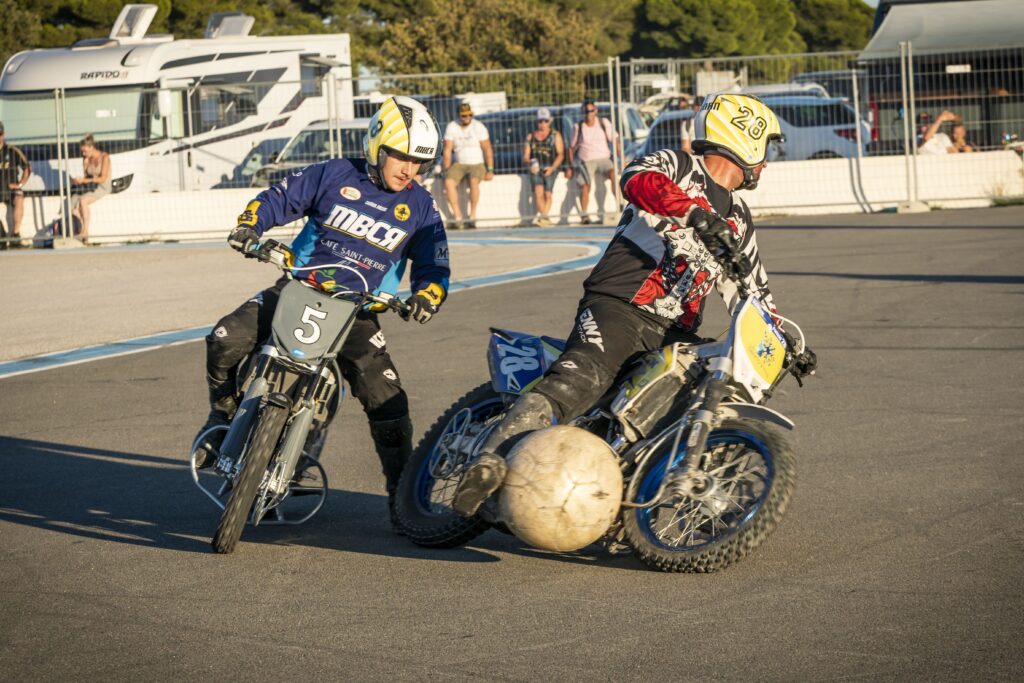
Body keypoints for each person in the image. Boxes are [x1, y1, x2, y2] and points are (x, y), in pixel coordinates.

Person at [452, 92, 816, 517]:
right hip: (620, 305)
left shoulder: (739, 219)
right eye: (765, 148)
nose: (766, 162)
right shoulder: (678, 166)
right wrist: (694, 215)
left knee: (699, 394)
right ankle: (488, 463)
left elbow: (752, 290)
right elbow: (636, 179)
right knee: (580, 379)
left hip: (674, 332)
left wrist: (785, 341)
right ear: (744, 137)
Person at [192, 96, 450, 531]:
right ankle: (222, 411)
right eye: (402, 156)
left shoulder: (422, 207)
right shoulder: (333, 173)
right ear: (377, 146)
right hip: (298, 287)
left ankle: (402, 497)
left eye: (419, 161)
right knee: (223, 338)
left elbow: (435, 265)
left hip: (358, 311)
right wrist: (250, 226)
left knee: (389, 402)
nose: (410, 169)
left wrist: (428, 295)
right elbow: (278, 198)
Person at [566, 99, 621, 225]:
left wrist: (622, 160)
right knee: (585, 185)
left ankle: (621, 205)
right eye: (586, 111)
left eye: (591, 110)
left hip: (604, 158)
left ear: (595, 111)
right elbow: (571, 148)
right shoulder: (578, 127)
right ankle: (584, 215)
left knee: (614, 175)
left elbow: (615, 141)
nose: (589, 113)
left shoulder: (603, 123)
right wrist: (570, 166)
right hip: (586, 160)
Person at [442, 102, 494, 229]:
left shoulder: (478, 126)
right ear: (459, 115)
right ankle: (458, 217)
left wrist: (490, 169)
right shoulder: (452, 126)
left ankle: (472, 216)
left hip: (477, 163)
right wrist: (446, 169)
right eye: (464, 116)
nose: (467, 118)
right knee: (448, 182)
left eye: (469, 115)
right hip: (459, 163)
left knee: (473, 180)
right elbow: (447, 149)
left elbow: (487, 148)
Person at [522, 108, 564, 227]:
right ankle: (544, 217)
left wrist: (552, 168)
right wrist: (530, 163)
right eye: (540, 121)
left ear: (550, 121)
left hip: (550, 166)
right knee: (538, 191)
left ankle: (543, 217)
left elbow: (561, 154)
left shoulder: (555, 135)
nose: (542, 124)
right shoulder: (530, 137)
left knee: (548, 193)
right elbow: (525, 156)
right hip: (536, 168)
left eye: (545, 121)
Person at [71, 134, 112, 243]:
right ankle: (79, 231)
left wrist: (85, 180)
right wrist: (79, 180)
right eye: (82, 151)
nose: (83, 154)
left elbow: (103, 178)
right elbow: (86, 177)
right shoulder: (86, 159)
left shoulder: (104, 157)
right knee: (73, 203)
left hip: (102, 186)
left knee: (83, 200)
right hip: (91, 186)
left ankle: (85, 231)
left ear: (92, 147)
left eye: (85, 151)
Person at [0, 121, 32, 249]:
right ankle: (1, 235)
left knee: (19, 198)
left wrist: (20, 184)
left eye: (0, 134)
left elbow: (27, 167)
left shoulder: (12, 150)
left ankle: (16, 234)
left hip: (10, 188)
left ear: (3, 135)